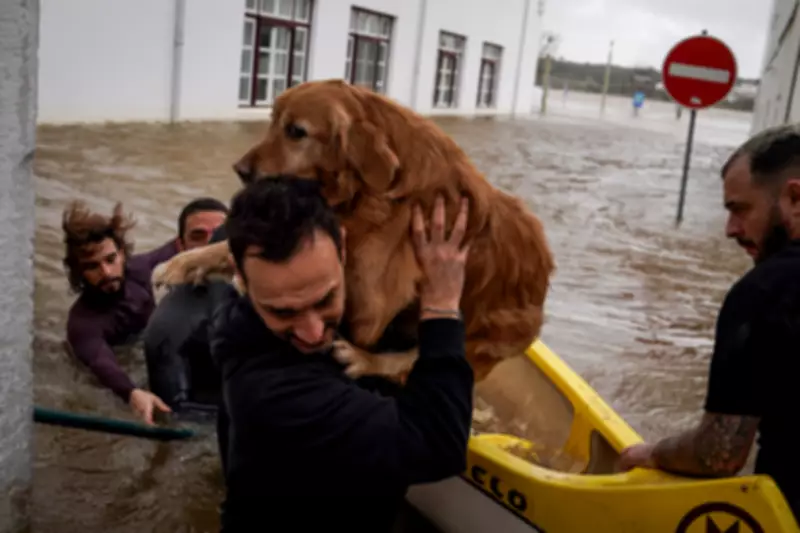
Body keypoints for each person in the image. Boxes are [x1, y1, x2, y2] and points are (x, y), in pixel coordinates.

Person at [211, 176, 474, 531]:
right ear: (240, 276)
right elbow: (438, 445)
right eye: (282, 312)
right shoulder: (271, 394)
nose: (313, 332)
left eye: (325, 300)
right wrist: (442, 304)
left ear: (345, 249)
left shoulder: (246, 309)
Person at [619, 124, 800, 520]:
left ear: (794, 197)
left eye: (740, 209)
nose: (730, 230)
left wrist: (650, 454)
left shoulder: (765, 292)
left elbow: (718, 454)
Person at [63, 197, 227, 424]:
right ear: (77, 271)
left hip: (158, 342)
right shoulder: (83, 323)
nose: (107, 271)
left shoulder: (142, 269)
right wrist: (132, 393)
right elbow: (102, 363)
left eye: (111, 259)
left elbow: (188, 248)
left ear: (122, 253)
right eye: (92, 266)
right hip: (129, 360)